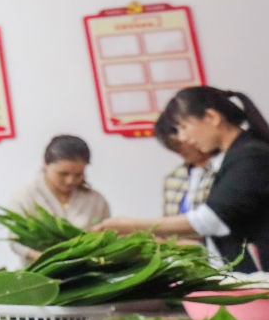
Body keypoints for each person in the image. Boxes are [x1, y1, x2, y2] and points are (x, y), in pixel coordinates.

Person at [103, 87, 269, 270]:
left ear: (212, 118)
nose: (183, 137)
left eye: (184, 127)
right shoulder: (236, 155)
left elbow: (211, 219)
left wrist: (131, 225)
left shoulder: (251, 156)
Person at [7, 135, 111, 229]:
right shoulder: (26, 196)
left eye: (78, 174)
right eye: (63, 174)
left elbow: (107, 234)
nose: (70, 181)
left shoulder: (96, 200)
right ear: (45, 164)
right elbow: (17, 240)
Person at [156, 111, 217, 219]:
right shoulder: (173, 177)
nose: (179, 151)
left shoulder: (223, 169)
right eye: (172, 146)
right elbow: (168, 221)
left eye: (179, 144)